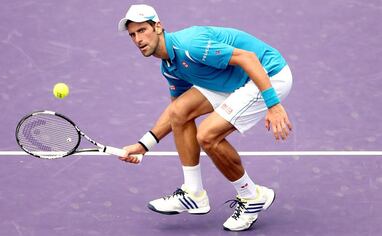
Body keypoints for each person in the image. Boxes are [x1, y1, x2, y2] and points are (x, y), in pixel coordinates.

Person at [117, 4, 293, 231]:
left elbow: (249, 58)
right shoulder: (169, 67)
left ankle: (252, 196)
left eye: (142, 30)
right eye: (132, 34)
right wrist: (144, 145)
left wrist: (274, 105)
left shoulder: (191, 46)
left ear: (158, 27)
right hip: (228, 79)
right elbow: (177, 113)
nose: (138, 39)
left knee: (208, 135)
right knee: (181, 112)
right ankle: (193, 193)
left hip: (268, 74)